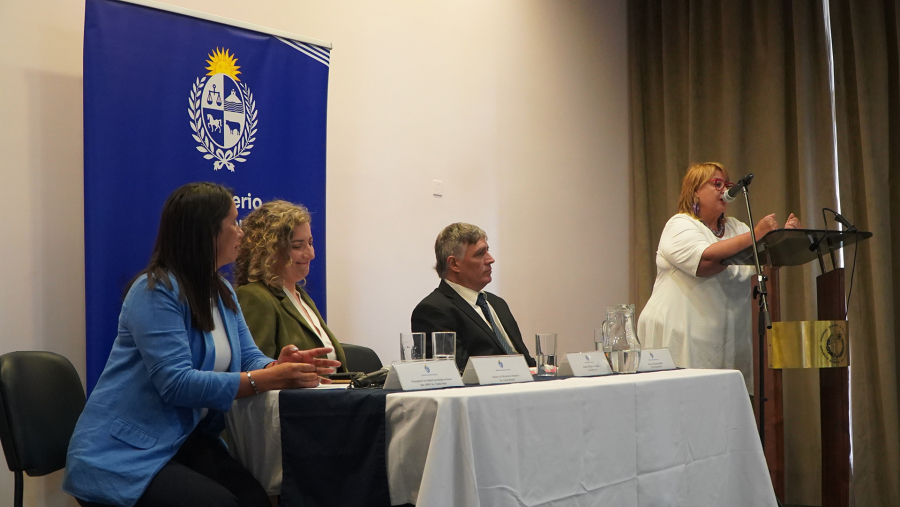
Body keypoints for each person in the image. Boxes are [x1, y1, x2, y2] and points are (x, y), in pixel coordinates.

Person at [64, 183, 341, 507]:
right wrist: (264, 379)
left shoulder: (221, 291)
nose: (241, 233)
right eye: (232, 223)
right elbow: (176, 383)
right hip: (122, 452)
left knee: (256, 499)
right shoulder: (155, 291)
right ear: (206, 232)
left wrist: (276, 366)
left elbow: (247, 355)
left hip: (183, 442)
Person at [637, 162, 800, 393]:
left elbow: (765, 264)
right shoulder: (679, 225)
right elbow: (706, 262)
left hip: (726, 342)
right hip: (682, 341)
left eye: (728, 184)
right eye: (717, 184)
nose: (725, 190)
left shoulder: (736, 228)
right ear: (695, 190)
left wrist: (784, 241)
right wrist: (757, 234)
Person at [233, 200, 347, 371]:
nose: (311, 254)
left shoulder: (299, 295)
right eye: (297, 246)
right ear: (268, 250)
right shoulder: (255, 297)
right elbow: (254, 372)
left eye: (310, 243)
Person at [411, 222, 535, 370]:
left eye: (487, 251)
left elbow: (525, 360)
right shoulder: (433, 310)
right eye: (480, 254)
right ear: (454, 264)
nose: (490, 259)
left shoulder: (497, 303)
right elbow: (459, 371)